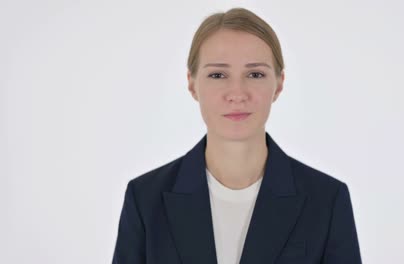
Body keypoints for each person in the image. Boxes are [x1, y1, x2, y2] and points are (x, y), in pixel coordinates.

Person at [112, 7, 362, 264]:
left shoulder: (327, 201)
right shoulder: (145, 199)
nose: (237, 93)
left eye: (255, 74)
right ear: (191, 83)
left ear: (279, 84)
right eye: (218, 75)